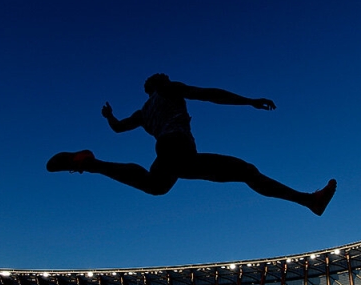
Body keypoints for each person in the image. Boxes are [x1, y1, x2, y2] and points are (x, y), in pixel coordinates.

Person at [47, 73, 337, 215]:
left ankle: (89, 163)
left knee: (155, 185)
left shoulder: (143, 112)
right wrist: (249, 101)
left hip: (167, 153)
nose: (167, 77)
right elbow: (209, 93)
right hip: (178, 148)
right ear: (157, 84)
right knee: (247, 171)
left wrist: (110, 117)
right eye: (163, 76)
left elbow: (120, 128)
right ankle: (308, 200)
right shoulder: (170, 90)